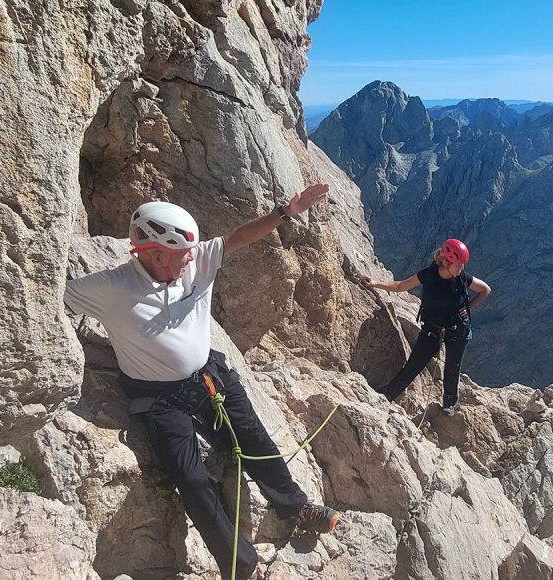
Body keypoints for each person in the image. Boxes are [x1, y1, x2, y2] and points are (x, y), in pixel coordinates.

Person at [64, 184, 339, 580]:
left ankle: (296, 507)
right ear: (153, 253)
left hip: (209, 378)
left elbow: (238, 237)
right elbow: (52, 297)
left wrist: (286, 211)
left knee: (255, 440)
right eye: (180, 254)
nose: (190, 258)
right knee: (191, 478)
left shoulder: (196, 263)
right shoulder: (112, 288)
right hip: (158, 399)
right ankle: (240, 564)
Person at [359, 238, 491, 414]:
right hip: (432, 329)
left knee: (452, 368)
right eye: (458, 265)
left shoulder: (462, 278)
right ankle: (388, 395)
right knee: (413, 365)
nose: (461, 269)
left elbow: (485, 290)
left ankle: (449, 404)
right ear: (446, 261)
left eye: (462, 265)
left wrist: (467, 309)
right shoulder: (429, 275)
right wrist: (375, 283)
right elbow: (400, 286)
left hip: (457, 330)